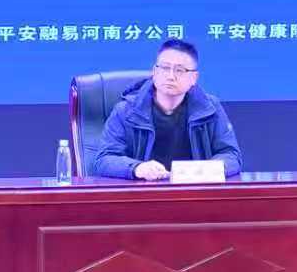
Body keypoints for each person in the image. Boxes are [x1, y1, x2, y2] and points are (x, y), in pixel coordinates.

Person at [91, 38, 243, 181]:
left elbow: (231, 156)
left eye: (179, 70)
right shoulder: (126, 111)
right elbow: (104, 160)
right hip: (143, 192)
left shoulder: (210, 108)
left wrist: (204, 170)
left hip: (195, 191)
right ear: (155, 72)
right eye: (165, 68)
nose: (170, 76)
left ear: (194, 78)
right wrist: (137, 168)